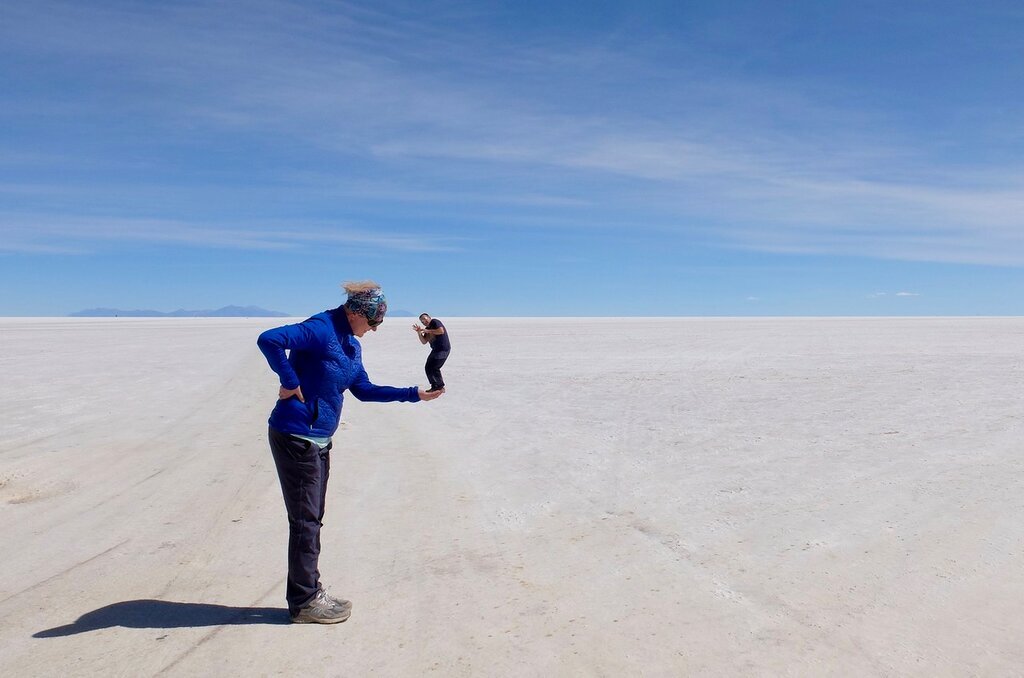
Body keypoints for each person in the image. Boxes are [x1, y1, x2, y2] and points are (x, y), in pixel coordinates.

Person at [257, 281, 443, 624]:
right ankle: (304, 602)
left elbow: (364, 390)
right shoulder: (321, 328)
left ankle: (310, 592)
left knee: (312, 519)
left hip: (319, 439)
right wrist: (289, 380)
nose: (374, 330)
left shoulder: (350, 347)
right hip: (295, 434)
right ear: (357, 312)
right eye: (373, 323)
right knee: (305, 522)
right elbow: (269, 339)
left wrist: (415, 393)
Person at [412, 312, 450, 393]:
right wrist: (419, 332)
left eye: (425, 319)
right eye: (422, 322)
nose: (424, 322)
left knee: (434, 367)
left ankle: (439, 387)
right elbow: (424, 341)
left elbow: (441, 331)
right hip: (435, 350)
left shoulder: (435, 322)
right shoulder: (427, 329)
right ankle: (435, 386)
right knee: (428, 367)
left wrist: (427, 330)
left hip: (443, 348)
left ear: (429, 317)